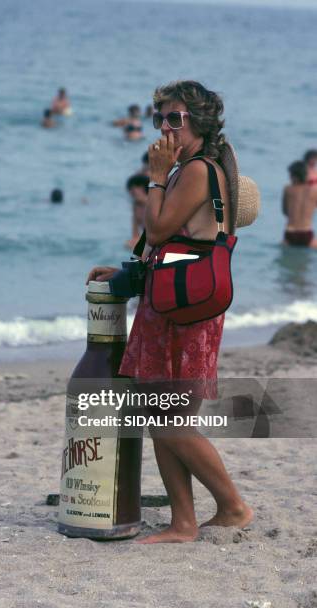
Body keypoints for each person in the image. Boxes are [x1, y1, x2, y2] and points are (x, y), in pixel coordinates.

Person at [87, 80, 254, 544]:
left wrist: (156, 177)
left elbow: (160, 229)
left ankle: (234, 506)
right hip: (167, 298)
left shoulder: (198, 169)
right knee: (157, 415)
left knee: (169, 420)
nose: (164, 126)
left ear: (198, 122)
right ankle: (183, 522)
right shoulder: (186, 169)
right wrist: (131, 267)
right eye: (159, 116)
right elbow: (165, 240)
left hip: (186, 307)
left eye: (174, 118)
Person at [282, 160, 317, 248]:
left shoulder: (288, 189)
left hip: (290, 233)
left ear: (295, 177)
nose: (289, 178)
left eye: (290, 175)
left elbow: (285, 211)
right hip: (306, 233)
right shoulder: (314, 191)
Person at [125, 174, 149, 249]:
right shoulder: (135, 205)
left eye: (136, 187)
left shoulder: (153, 203)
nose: (132, 190)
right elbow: (135, 234)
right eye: (130, 188)